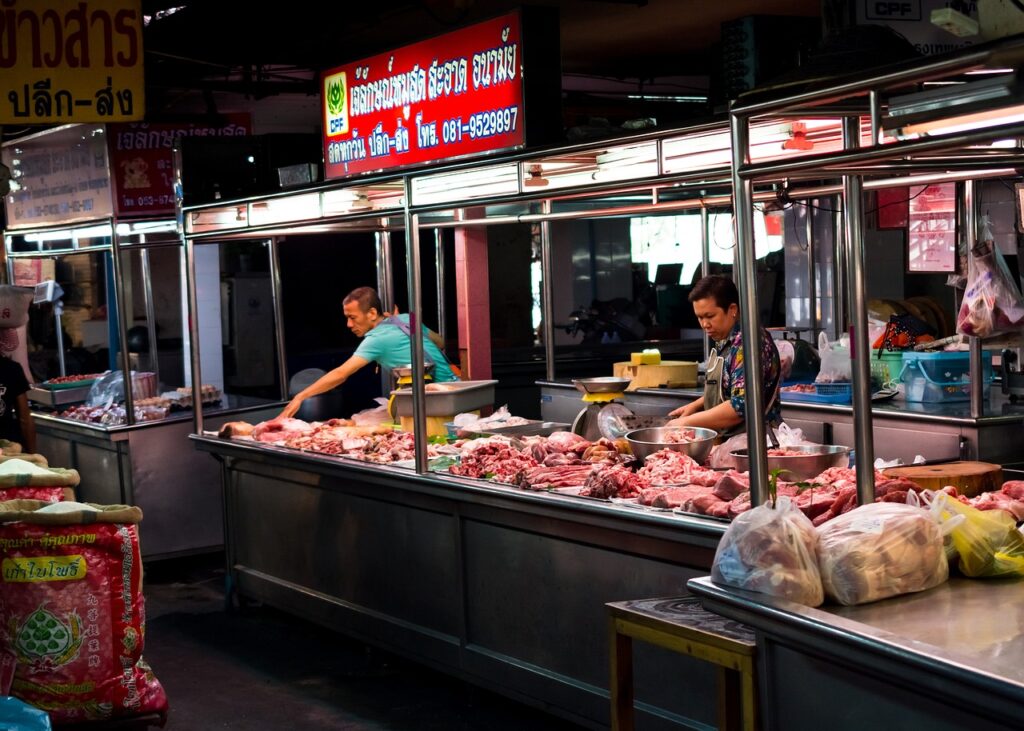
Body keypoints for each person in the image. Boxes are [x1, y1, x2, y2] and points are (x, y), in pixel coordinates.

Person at [280, 287, 457, 419]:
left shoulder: (376, 339)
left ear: (372, 313)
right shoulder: (405, 319)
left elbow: (341, 374)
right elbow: (440, 342)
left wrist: (300, 396)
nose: (349, 325)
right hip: (457, 391)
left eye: (353, 317)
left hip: (438, 403)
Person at [666, 274, 780, 436]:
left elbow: (740, 406)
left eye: (710, 316)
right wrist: (697, 405)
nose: (705, 324)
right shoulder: (725, 339)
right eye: (700, 317)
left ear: (732, 310)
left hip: (755, 443)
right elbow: (731, 388)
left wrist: (686, 422)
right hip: (731, 440)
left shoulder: (748, 345)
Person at [0, 353, 36, 453]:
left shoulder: (11, 369)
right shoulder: (11, 368)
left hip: (8, 448)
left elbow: (25, 419)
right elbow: (25, 419)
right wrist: (33, 456)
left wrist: (33, 456)